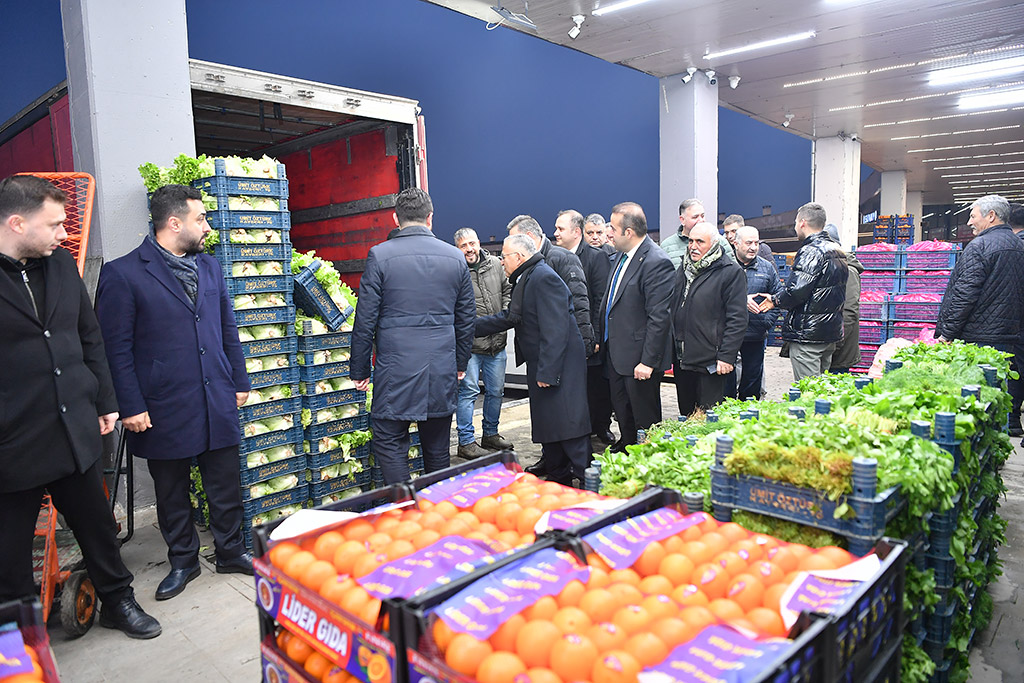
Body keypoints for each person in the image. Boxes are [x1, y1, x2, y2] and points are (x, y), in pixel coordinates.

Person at [0, 175, 160, 638]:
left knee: (97, 528)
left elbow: (89, 335)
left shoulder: (59, 266)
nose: (64, 233)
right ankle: (21, 636)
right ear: (16, 223)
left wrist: (104, 398)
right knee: (9, 553)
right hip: (13, 442)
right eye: (54, 224)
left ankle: (118, 602)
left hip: (74, 429)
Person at [96, 184, 254, 602]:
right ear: (174, 223)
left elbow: (227, 327)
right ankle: (183, 560)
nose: (207, 226)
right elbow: (115, 349)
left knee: (225, 483)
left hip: (216, 394)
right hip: (162, 403)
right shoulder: (123, 274)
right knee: (171, 491)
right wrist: (129, 405)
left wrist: (239, 380)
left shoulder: (210, 267)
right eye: (200, 219)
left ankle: (231, 551)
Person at [351, 188, 475, 482]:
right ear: (430, 218)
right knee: (437, 448)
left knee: (389, 442)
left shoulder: (380, 255)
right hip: (441, 369)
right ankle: (435, 505)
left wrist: (360, 369)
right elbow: (466, 318)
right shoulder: (455, 258)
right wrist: (459, 364)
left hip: (396, 371)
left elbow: (365, 318)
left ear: (396, 219)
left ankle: (404, 503)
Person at [475, 234, 591, 484]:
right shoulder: (528, 276)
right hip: (545, 364)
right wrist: (470, 327)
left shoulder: (543, 278)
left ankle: (589, 481)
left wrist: (548, 372)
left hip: (558, 367)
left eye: (504, 256)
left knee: (568, 424)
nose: (501, 261)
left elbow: (556, 329)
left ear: (519, 257)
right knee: (550, 424)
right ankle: (558, 477)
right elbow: (511, 316)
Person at [935, 194, 1024, 435]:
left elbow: (965, 294)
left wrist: (947, 333)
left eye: (973, 216)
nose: (969, 222)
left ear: (991, 216)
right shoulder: (1019, 245)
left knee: (977, 398)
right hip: (1010, 336)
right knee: (999, 395)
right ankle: (998, 439)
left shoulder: (980, 246)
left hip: (980, 337)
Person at [601, 202, 675, 449]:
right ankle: (627, 445)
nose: (609, 233)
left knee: (645, 419)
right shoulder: (621, 256)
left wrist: (648, 362)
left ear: (629, 232)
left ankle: (646, 458)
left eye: (613, 228)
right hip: (617, 355)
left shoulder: (656, 262)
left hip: (639, 360)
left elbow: (659, 318)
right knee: (623, 412)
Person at [757, 202, 847, 382]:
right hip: (829, 332)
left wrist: (774, 300)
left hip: (809, 335)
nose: (795, 226)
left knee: (809, 391)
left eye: (795, 222)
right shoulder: (837, 250)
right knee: (822, 390)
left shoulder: (811, 251)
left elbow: (796, 290)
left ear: (802, 222)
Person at [671, 223, 747, 415]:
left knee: (708, 418)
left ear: (713, 244)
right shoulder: (684, 268)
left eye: (700, 242)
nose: (693, 246)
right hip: (683, 359)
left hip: (711, 361)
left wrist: (726, 357)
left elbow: (737, 319)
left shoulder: (730, 272)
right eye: (691, 241)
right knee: (687, 415)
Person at [452, 227, 513, 459]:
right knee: (468, 392)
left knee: (496, 391)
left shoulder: (496, 265)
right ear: (457, 249)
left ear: (479, 243)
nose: (469, 249)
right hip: (470, 347)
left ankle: (491, 434)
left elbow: (507, 290)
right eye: (463, 246)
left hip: (496, 343)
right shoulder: (456, 271)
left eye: (472, 243)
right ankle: (466, 442)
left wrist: (504, 314)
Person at [554, 209, 614, 445]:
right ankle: (581, 430)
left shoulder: (595, 257)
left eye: (560, 228)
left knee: (596, 386)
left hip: (590, 336)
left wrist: (595, 336)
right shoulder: (556, 256)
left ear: (576, 232)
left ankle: (601, 427)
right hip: (567, 336)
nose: (556, 233)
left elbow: (600, 300)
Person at [727, 226, 781, 400]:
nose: (753, 247)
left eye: (756, 243)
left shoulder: (767, 268)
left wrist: (766, 322)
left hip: (755, 335)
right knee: (726, 382)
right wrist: (741, 300)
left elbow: (777, 297)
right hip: (728, 335)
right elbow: (714, 297)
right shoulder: (726, 266)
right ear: (736, 244)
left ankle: (749, 413)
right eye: (748, 243)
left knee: (752, 382)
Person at [824, 224, 864, 374]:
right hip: (828, 345)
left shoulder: (848, 271)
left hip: (839, 351)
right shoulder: (830, 267)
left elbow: (849, 311)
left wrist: (835, 344)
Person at [659, 198, 735, 270]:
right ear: (682, 220)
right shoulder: (667, 246)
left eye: (702, 216)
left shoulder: (719, 241)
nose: (701, 220)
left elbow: (733, 272)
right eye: (695, 217)